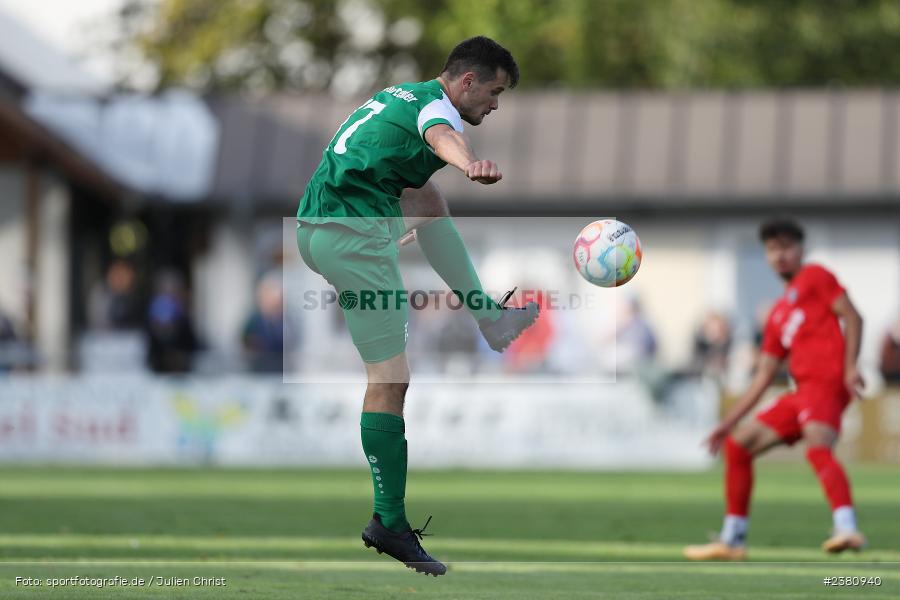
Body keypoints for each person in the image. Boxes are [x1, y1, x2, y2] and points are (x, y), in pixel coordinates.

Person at [295, 36, 539, 576]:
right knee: (389, 382)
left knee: (428, 199)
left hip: (321, 228)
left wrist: (391, 222)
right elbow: (442, 133)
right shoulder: (435, 107)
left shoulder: (398, 95)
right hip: (348, 238)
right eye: (494, 92)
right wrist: (470, 163)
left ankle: (488, 315)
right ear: (467, 81)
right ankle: (389, 522)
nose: (495, 105)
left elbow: (382, 166)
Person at [684, 219, 866, 560]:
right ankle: (732, 540)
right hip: (801, 392)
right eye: (772, 249)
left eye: (787, 246)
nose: (780, 255)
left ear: (801, 250)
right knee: (739, 446)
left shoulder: (815, 277)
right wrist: (727, 423)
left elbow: (853, 317)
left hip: (827, 382)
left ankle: (847, 528)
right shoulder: (779, 314)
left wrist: (851, 366)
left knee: (817, 446)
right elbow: (763, 375)